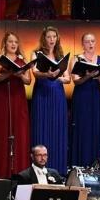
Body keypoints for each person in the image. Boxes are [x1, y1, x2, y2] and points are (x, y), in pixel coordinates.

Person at [0, 32, 32, 179]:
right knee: (2, 133)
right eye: (10, 42)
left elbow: (28, 80)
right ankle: (2, 172)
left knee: (19, 132)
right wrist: (10, 73)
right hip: (2, 98)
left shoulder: (23, 59)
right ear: (5, 44)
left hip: (18, 98)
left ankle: (19, 171)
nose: (13, 44)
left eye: (15, 42)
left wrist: (19, 74)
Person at [31, 27, 70, 175]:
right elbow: (34, 72)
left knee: (57, 129)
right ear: (44, 38)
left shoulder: (60, 56)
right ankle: (39, 171)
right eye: (49, 37)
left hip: (57, 94)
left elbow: (67, 78)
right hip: (42, 93)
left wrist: (56, 77)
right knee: (42, 128)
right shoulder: (36, 53)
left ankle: (58, 170)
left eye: (54, 36)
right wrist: (46, 74)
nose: (52, 39)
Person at [69, 31, 100, 169]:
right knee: (82, 127)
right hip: (81, 96)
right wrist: (88, 76)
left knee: (95, 128)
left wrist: (97, 77)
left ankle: (95, 165)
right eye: (87, 42)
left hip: (95, 97)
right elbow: (76, 81)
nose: (90, 44)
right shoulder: (76, 59)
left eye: (92, 41)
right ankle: (80, 163)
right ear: (82, 44)